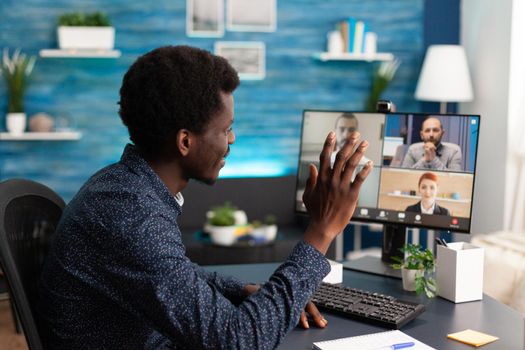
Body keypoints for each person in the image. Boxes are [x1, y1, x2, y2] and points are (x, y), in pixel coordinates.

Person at [37, 45, 373, 349]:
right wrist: (322, 230)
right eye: (225, 129)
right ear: (185, 142)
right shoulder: (131, 213)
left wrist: (242, 290)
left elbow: (176, 274)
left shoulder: (126, 188)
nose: (233, 139)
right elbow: (239, 341)